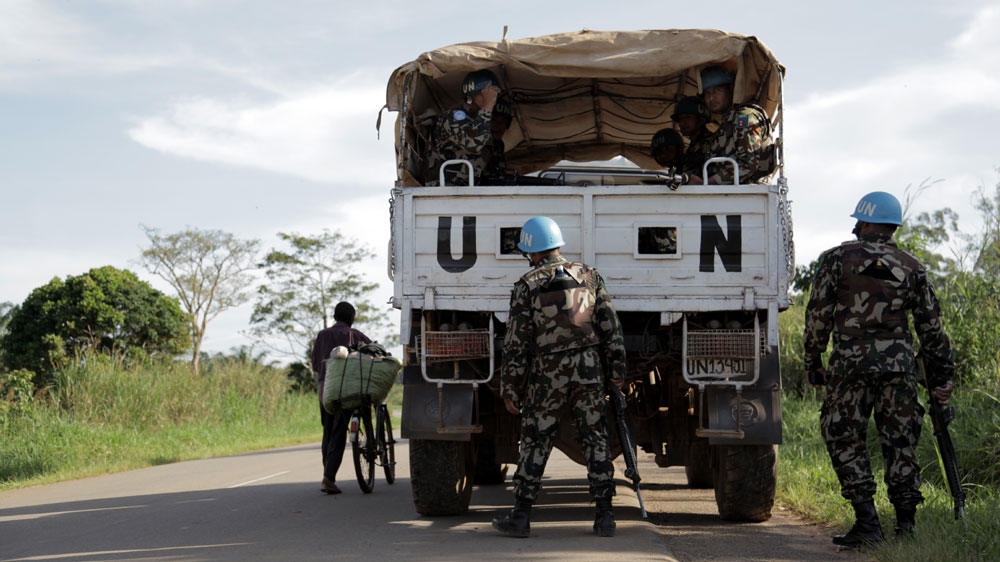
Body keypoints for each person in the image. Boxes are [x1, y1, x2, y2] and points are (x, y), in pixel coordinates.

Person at [803, 191, 956, 548]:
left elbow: (818, 317)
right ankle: (906, 528)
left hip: (849, 367)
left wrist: (813, 361)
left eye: (859, 219)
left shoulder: (836, 259)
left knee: (842, 435)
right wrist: (943, 376)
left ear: (867, 221)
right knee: (901, 443)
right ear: (893, 226)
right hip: (898, 369)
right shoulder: (912, 266)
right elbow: (931, 329)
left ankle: (867, 522)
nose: (855, 225)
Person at [492, 216, 627, 538]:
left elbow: (517, 342)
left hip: (547, 374)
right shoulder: (590, 276)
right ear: (557, 244)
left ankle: (521, 517)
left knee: (537, 440)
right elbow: (610, 326)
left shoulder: (526, 285)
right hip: (589, 369)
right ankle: (605, 517)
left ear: (531, 251)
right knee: (595, 438)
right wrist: (617, 373)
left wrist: (511, 387)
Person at [310, 301, 371, 495]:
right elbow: (374, 354)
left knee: (328, 430)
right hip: (347, 389)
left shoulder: (322, 335)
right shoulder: (356, 335)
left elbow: (315, 365)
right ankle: (328, 478)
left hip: (325, 389)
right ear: (351, 318)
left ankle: (327, 473)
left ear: (335, 316)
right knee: (338, 431)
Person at [687, 66, 776, 185]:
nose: (711, 98)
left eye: (717, 90)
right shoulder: (727, 124)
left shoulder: (745, 117)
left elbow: (748, 164)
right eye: (707, 93)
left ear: (730, 89)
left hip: (749, 193)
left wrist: (707, 183)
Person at [423, 69, 501, 186]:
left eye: (495, 94)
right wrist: (487, 105)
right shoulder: (454, 116)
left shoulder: (480, 121)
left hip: (466, 191)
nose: (493, 98)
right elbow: (473, 144)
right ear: (473, 93)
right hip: (443, 190)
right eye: (488, 93)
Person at [671, 96, 711, 180]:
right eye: (680, 118)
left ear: (701, 120)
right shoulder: (694, 146)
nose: (683, 122)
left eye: (688, 117)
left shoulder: (711, 143)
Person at [481, 97, 514, 183]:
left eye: (503, 121)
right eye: (493, 120)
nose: (498, 125)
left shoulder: (499, 145)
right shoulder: (476, 144)